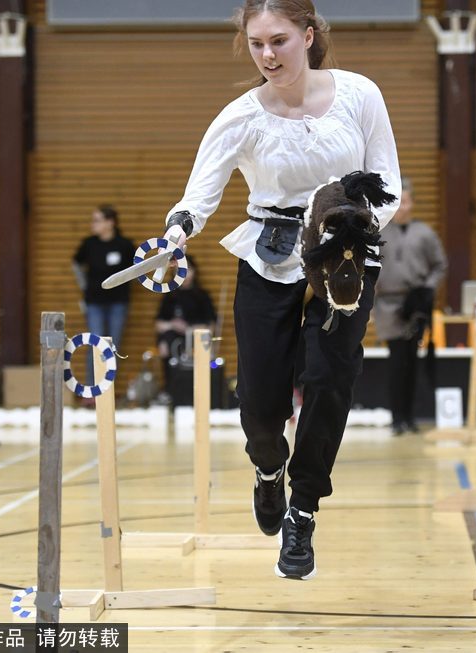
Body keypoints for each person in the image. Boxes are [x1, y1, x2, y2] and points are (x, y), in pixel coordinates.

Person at [157, 0, 400, 579]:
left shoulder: (360, 95)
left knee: (329, 378)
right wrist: (175, 232)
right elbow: (199, 195)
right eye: (258, 44)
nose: (268, 55)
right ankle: (268, 468)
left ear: (308, 35)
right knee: (261, 405)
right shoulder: (240, 116)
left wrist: (351, 225)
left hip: (343, 255)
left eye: (280, 41)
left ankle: (303, 510)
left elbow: (387, 184)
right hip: (268, 255)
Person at [371, 177, 446, 436]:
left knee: (412, 360)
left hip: (415, 303)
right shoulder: (379, 233)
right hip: (388, 303)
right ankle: (396, 418)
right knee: (396, 360)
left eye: (406, 201)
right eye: (398, 202)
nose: (402, 207)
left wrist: (427, 289)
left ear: (412, 203)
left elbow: (439, 265)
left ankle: (411, 417)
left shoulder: (425, 233)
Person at [72, 204, 137, 387]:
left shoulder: (124, 245)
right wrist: (84, 285)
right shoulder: (89, 244)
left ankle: (108, 389)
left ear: (110, 223)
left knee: (113, 346)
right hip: (94, 302)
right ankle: (93, 387)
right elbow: (76, 264)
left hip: (119, 302)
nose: (93, 224)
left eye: (97, 220)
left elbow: (136, 268)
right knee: (95, 344)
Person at [154, 254, 218, 401]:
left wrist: (189, 328)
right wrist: (172, 324)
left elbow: (210, 326)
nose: (184, 274)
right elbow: (158, 324)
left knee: (199, 346)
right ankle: (169, 389)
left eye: (188, 269)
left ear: (194, 271)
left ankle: (200, 392)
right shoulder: (169, 296)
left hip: (195, 337)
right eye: (180, 270)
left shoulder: (202, 296)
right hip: (173, 339)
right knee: (164, 346)